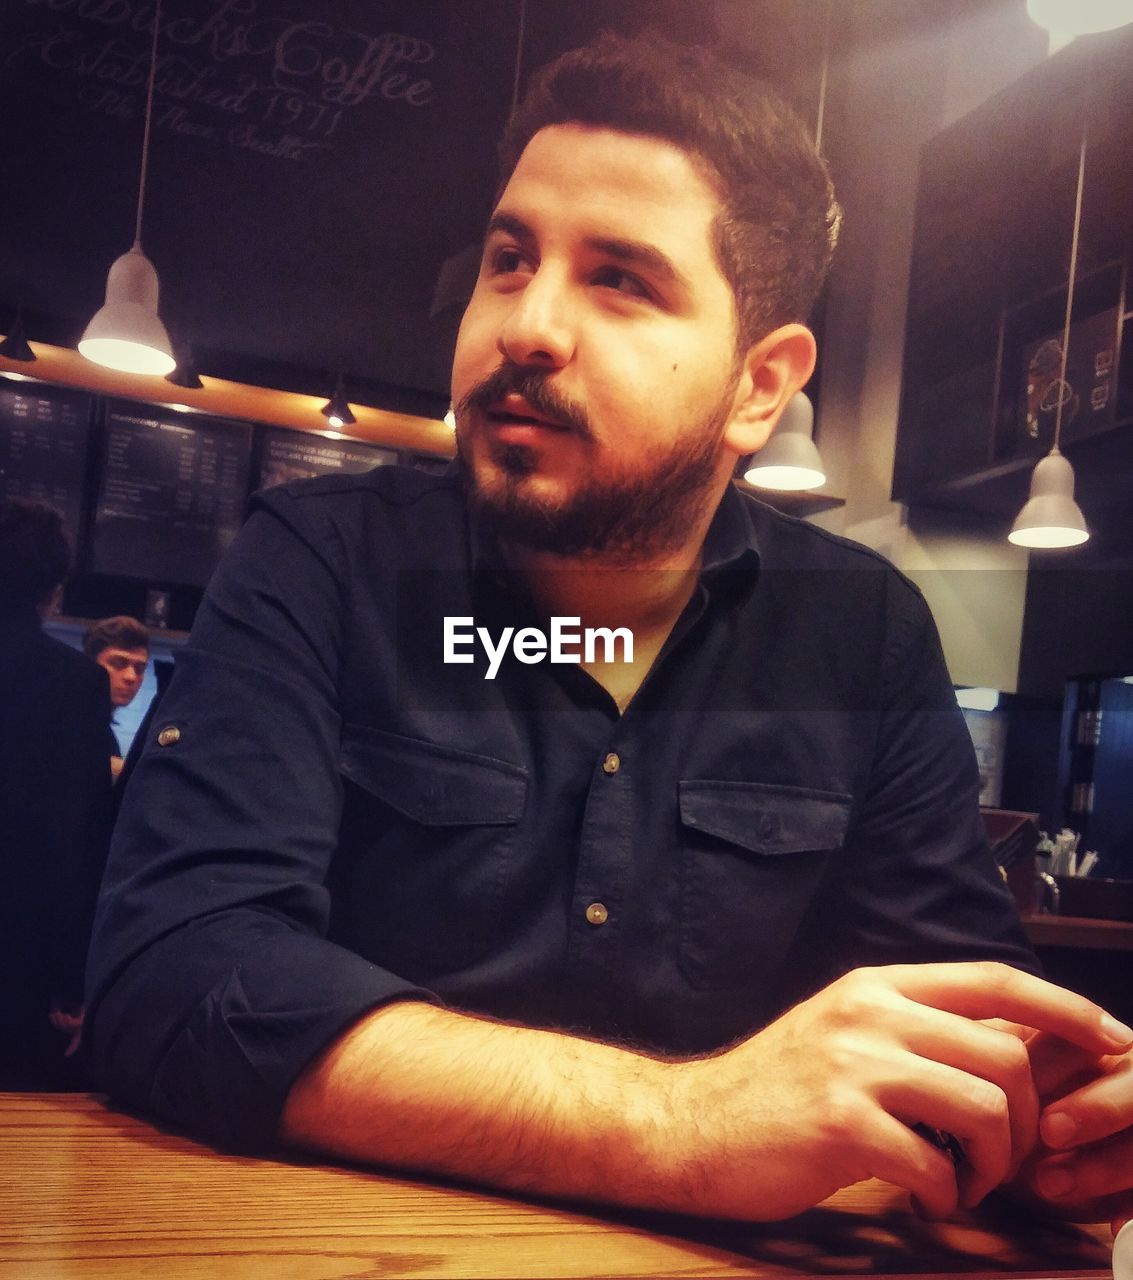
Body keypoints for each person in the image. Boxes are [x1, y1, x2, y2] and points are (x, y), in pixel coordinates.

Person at [86, 33, 1133, 1230]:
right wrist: (685, 1125)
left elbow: (960, 1027)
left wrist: (1062, 1116)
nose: (525, 326)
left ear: (758, 384)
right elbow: (172, 973)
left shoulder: (861, 629)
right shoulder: (324, 560)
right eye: (506, 258)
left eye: (619, 278)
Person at [0, 498, 112, 1087]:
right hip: (19, 958)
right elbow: (75, 841)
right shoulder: (73, 686)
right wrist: (75, 983)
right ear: (53, 590)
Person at [82, 615, 149, 779]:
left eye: (140, 668)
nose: (131, 677)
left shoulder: (103, 730)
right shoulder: (66, 719)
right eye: (119, 663)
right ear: (90, 664)